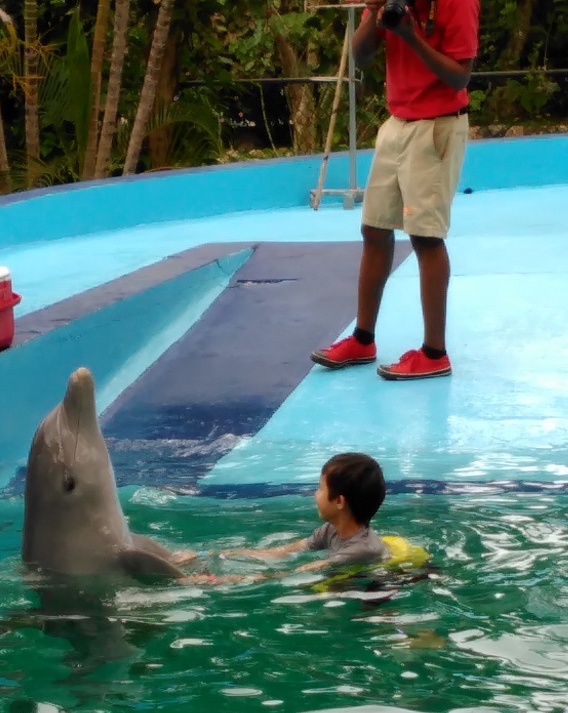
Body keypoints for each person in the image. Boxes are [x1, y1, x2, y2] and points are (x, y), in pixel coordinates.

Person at [311, 0, 480, 380]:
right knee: (374, 228)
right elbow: (360, 56)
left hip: (438, 126)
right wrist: (377, 17)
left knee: (425, 237)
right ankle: (362, 339)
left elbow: (459, 78)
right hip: (397, 121)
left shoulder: (457, 3)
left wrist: (410, 36)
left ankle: (434, 353)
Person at [221, 452, 390, 572]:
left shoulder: (361, 551)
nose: (315, 494)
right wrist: (220, 553)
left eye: (320, 488)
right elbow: (283, 551)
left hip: (372, 589)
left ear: (339, 501)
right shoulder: (330, 529)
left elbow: (293, 574)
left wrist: (213, 580)